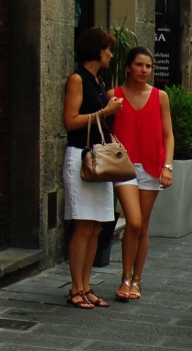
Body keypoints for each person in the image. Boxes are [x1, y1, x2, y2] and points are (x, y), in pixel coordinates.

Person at [62, 26, 123, 310]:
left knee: (97, 225)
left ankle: (86, 285)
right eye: (108, 49)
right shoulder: (77, 79)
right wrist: (104, 112)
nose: (111, 54)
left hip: (100, 159)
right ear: (98, 51)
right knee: (83, 224)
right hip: (82, 157)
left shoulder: (98, 82)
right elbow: (70, 121)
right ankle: (75, 287)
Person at [111, 46, 174, 302]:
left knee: (143, 226)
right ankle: (125, 277)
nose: (144, 70)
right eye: (138, 65)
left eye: (148, 66)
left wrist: (168, 166)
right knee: (133, 222)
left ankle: (136, 279)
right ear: (128, 67)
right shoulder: (113, 96)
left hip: (151, 166)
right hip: (123, 166)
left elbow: (169, 135)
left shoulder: (160, 96)